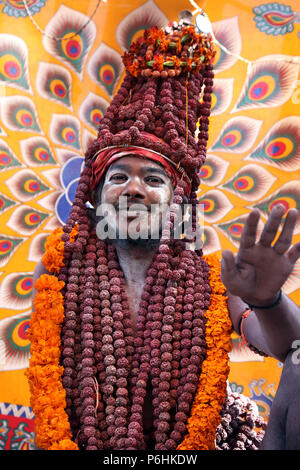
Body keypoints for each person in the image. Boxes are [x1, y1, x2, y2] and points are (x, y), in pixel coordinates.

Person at [27, 13, 300, 451]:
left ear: (178, 203)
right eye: (119, 178)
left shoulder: (209, 279)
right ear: (95, 196)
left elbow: (287, 346)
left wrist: (267, 300)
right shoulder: (63, 270)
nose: (133, 189)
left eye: (153, 181)